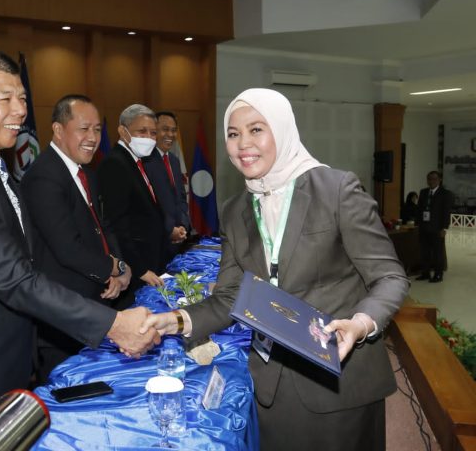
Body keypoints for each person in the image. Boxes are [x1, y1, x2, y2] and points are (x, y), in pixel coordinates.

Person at [0, 51, 158, 449]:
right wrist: (111, 325)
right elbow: (12, 276)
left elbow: (29, 259)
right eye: (4, 99)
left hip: (8, 359)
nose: (19, 112)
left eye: (22, 98)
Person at [141, 88, 408, 451]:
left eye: (256, 130)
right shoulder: (236, 209)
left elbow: (389, 278)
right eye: (233, 134)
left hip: (339, 381)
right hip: (271, 382)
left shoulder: (336, 189)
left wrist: (361, 324)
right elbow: (230, 296)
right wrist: (173, 321)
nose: (242, 144)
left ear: (281, 130)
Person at [20, 94, 132, 383]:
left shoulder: (86, 174)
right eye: (84, 129)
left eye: (97, 129)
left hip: (96, 303)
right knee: (68, 402)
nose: (93, 138)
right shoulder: (44, 177)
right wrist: (115, 269)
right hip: (63, 317)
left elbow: (104, 227)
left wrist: (119, 268)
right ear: (58, 130)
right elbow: (67, 249)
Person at [97, 104, 167, 309]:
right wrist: (140, 269)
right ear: (122, 131)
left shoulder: (137, 161)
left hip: (150, 260)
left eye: (153, 133)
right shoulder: (115, 164)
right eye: (141, 131)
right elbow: (118, 225)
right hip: (135, 270)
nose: (148, 138)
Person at [143, 111, 190, 264]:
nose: (170, 134)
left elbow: (181, 198)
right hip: (156, 243)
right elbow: (149, 204)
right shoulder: (145, 162)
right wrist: (170, 230)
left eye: (173, 130)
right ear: (154, 130)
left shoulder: (175, 161)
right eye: (165, 129)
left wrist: (182, 225)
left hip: (177, 243)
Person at [416, 170, 454, 282]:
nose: (431, 181)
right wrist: (418, 224)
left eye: (434, 179)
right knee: (424, 252)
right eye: (429, 179)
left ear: (440, 180)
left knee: (438, 253)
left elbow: (446, 212)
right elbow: (419, 210)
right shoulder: (423, 192)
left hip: (437, 228)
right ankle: (425, 273)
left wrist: (444, 228)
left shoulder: (445, 193)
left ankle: (438, 274)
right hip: (424, 228)